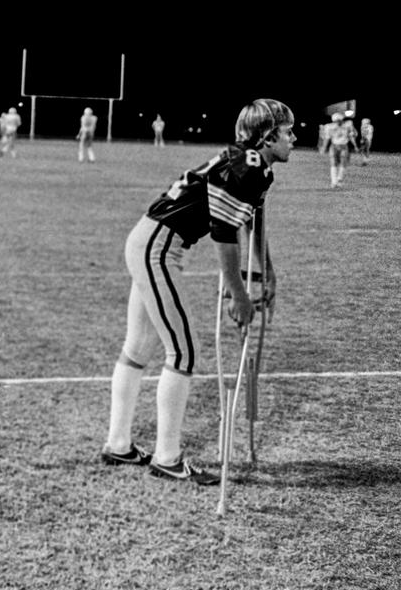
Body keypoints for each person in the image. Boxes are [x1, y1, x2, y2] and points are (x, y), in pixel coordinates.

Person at [99, 98, 295, 485]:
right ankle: (167, 457)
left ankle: (118, 444)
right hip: (158, 246)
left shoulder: (255, 167)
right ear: (268, 136)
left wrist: (267, 273)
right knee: (183, 351)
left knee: (138, 348)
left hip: (149, 240)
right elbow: (224, 233)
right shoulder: (247, 166)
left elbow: (254, 223)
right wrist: (239, 295)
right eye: (288, 131)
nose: (294, 137)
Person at [323, 111, 353, 188]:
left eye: (339, 120)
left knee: (343, 163)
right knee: (333, 163)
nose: (338, 122)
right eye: (336, 121)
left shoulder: (348, 125)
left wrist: (355, 144)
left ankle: (339, 180)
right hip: (334, 146)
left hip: (344, 146)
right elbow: (327, 138)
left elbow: (352, 135)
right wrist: (324, 147)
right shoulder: (329, 127)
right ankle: (334, 181)